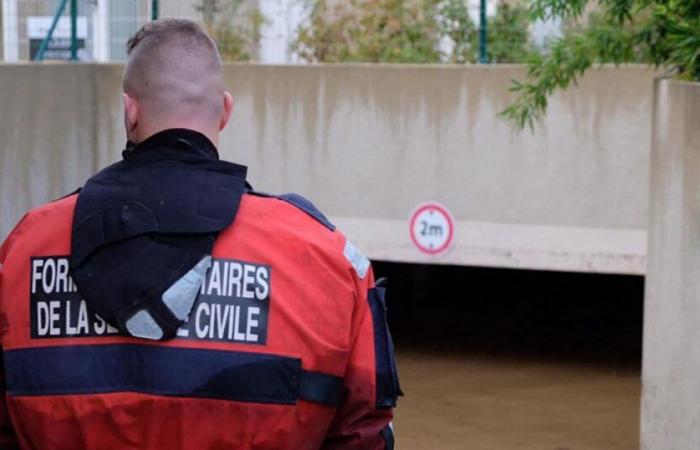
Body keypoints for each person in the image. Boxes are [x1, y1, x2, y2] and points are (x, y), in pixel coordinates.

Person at [0, 19, 400, 450]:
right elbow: (365, 433)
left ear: (128, 111)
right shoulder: (329, 257)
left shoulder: (24, 248)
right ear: (225, 111)